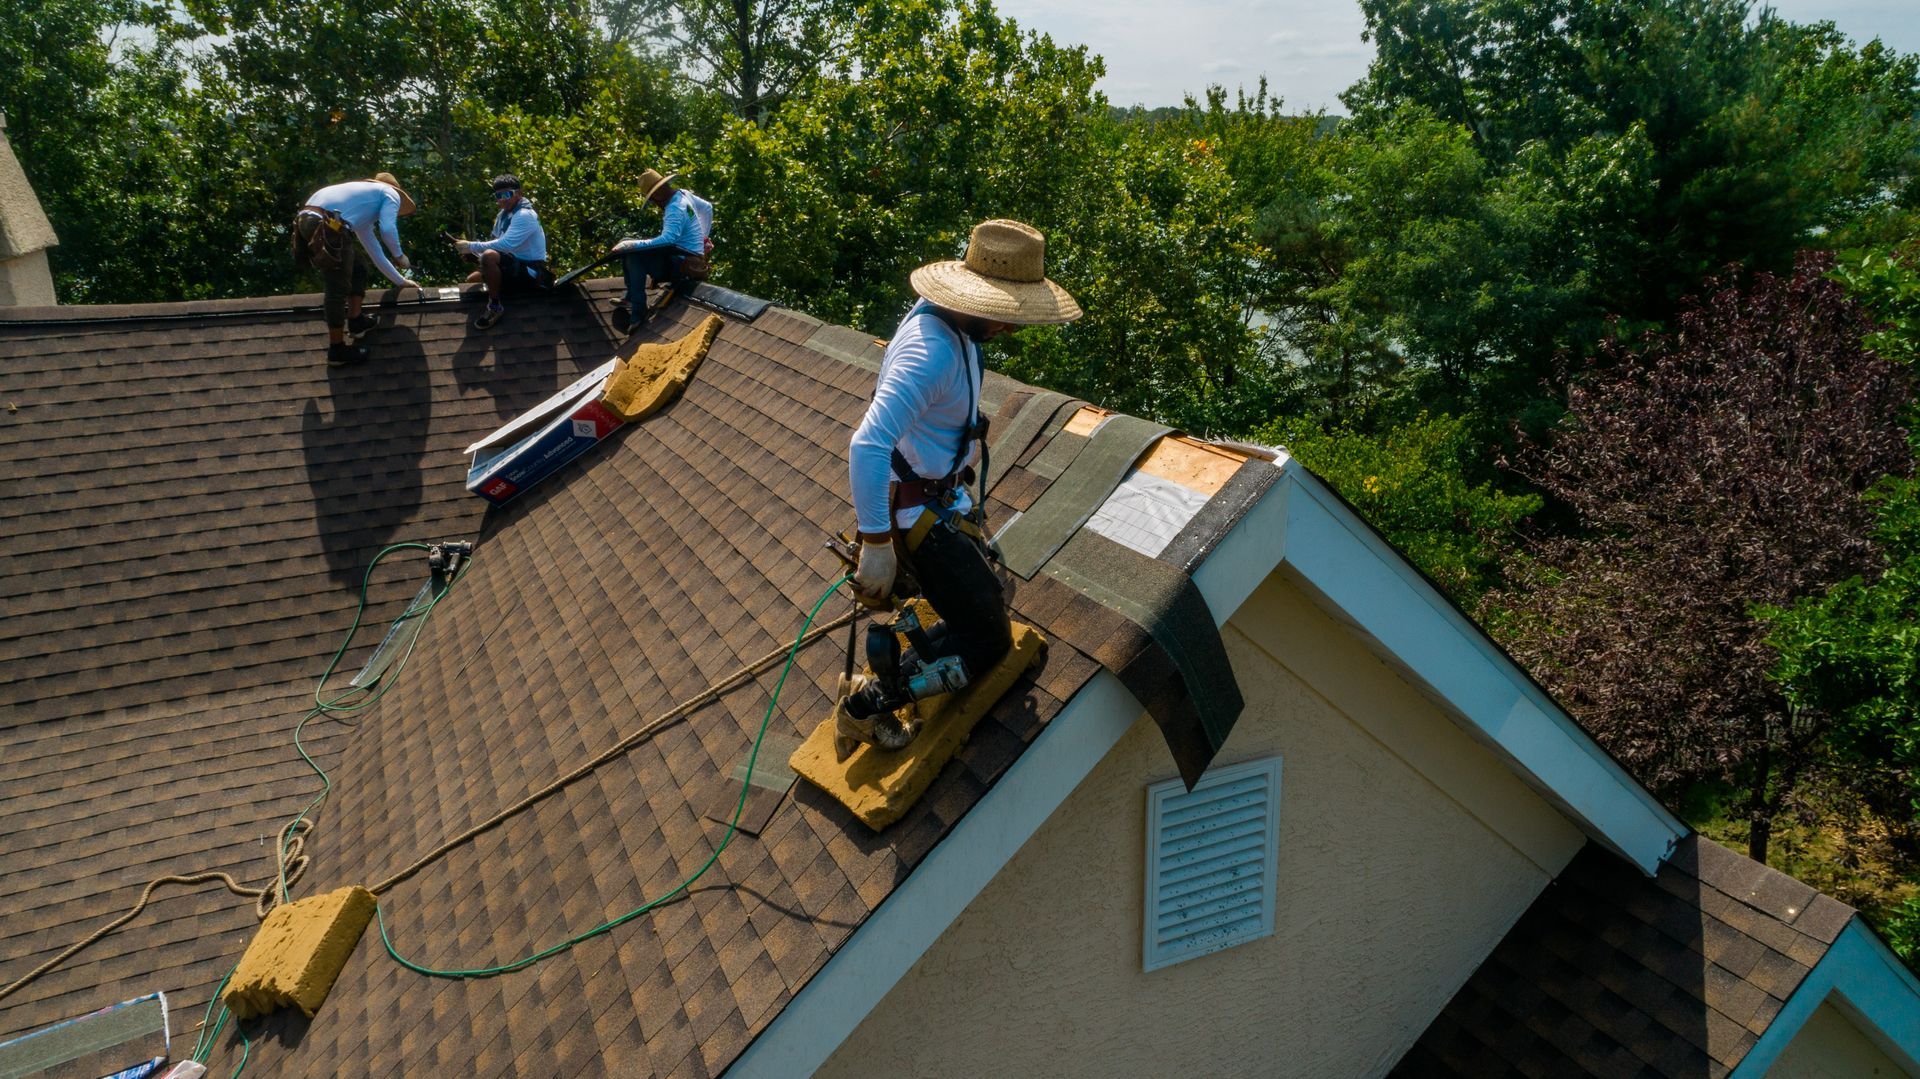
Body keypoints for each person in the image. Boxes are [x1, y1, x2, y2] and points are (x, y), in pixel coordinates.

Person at [836, 219, 1083, 757]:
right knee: (987, 640)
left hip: (936, 501)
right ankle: (862, 706)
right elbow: (868, 446)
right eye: (1005, 314)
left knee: (978, 604)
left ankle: (883, 684)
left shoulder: (953, 328)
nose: (1011, 328)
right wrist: (876, 545)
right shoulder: (932, 353)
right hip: (915, 520)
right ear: (974, 300)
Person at [292, 172, 417, 365]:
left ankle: (356, 321)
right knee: (337, 285)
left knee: (358, 266)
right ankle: (337, 349)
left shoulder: (362, 209)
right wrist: (399, 256)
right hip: (328, 223)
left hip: (310, 220)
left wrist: (401, 281)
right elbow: (387, 230)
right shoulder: (389, 193)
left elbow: (375, 251)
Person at [610, 168, 712, 332]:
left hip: (684, 266)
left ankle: (638, 313)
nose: (655, 204)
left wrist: (631, 246)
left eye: (652, 200)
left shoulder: (674, 209)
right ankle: (630, 296)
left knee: (633, 255)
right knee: (626, 243)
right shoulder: (683, 194)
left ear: (657, 195)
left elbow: (668, 239)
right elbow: (707, 208)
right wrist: (703, 239)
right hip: (687, 257)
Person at [454, 174, 552, 331]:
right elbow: (494, 244)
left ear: (519, 193)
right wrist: (475, 257)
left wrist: (471, 246)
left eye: (507, 194)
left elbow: (505, 245)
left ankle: (495, 306)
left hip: (533, 271)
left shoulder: (525, 215)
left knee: (488, 256)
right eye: (498, 196)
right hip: (514, 266)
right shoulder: (502, 216)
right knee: (472, 280)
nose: (502, 199)